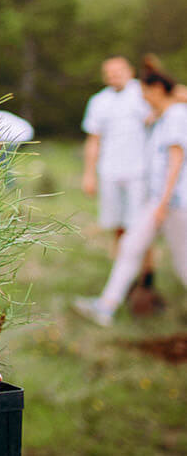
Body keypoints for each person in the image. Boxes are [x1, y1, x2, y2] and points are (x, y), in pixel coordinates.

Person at [74, 65, 187, 326]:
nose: (143, 98)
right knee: (130, 246)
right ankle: (106, 307)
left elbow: (176, 160)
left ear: (157, 90)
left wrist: (163, 203)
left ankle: (109, 304)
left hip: (173, 203)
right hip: (158, 201)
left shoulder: (177, 116)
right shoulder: (164, 116)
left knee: (183, 264)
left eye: (146, 92)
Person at [80, 56, 159, 311]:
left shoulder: (142, 92)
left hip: (139, 172)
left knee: (140, 227)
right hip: (110, 172)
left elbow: (163, 111)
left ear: (130, 72)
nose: (114, 76)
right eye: (109, 72)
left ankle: (146, 279)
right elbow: (93, 140)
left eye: (119, 71)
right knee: (118, 226)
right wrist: (89, 173)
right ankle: (122, 280)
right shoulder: (99, 101)